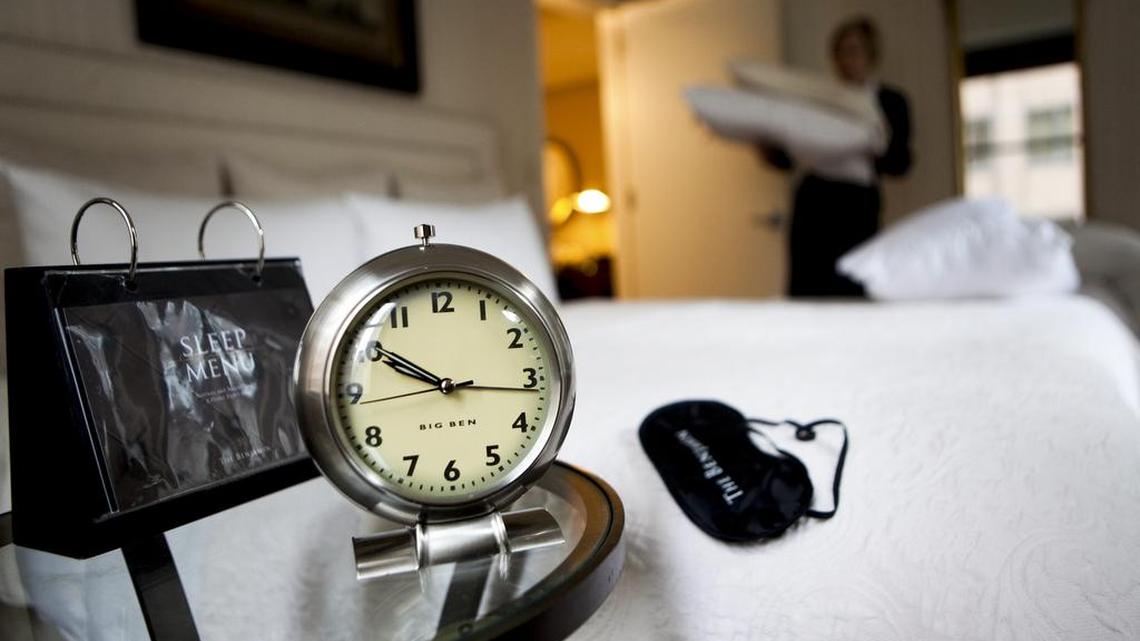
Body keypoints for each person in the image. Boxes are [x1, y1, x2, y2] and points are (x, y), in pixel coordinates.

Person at [761, 16, 912, 297]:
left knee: (855, 288)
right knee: (809, 291)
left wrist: (871, 147)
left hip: (858, 206)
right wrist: (766, 146)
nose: (845, 59)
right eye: (839, 52)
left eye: (853, 50)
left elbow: (902, 163)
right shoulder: (819, 101)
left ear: (871, 54)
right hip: (814, 203)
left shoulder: (890, 102)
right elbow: (788, 158)